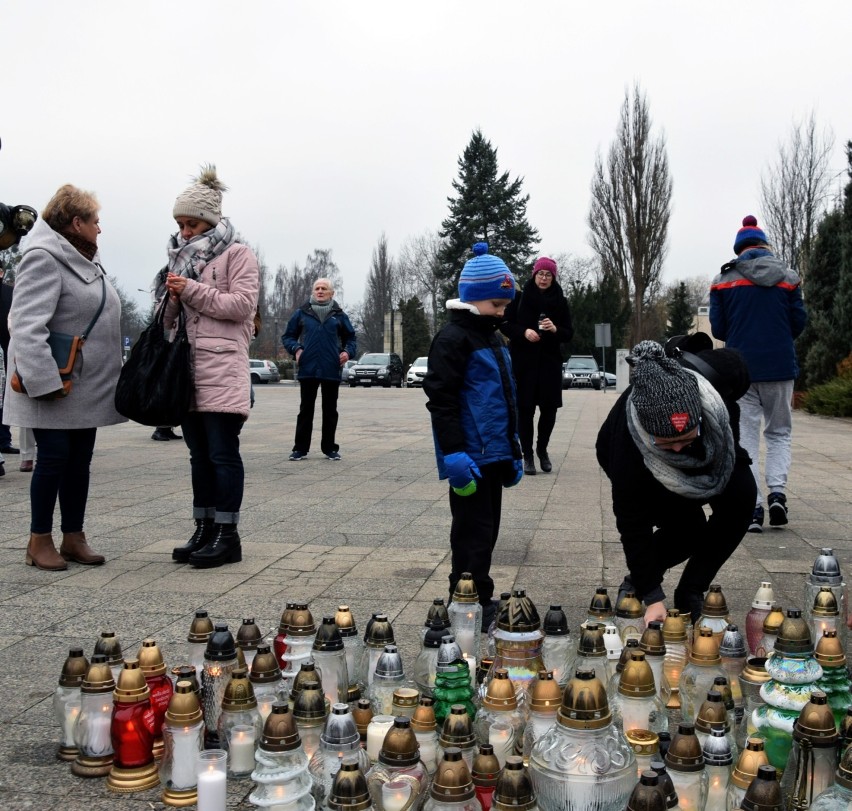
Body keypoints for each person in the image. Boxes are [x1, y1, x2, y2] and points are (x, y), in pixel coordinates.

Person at [3, 184, 125, 569]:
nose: (100, 229)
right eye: (95, 221)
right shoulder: (43, 258)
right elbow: (25, 325)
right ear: (76, 222)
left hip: (82, 385)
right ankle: (39, 541)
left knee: (79, 462)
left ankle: (74, 536)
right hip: (53, 384)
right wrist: (44, 383)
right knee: (52, 460)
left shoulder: (86, 258)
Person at [595, 338, 755, 625]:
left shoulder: (715, 397)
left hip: (710, 450)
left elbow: (736, 366)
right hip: (641, 463)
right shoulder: (628, 451)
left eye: (685, 438)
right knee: (687, 530)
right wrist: (653, 595)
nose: (678, 448)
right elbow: (633, 526)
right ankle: (637, 581)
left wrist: (705, 445)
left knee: (742, 497)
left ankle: (691, 588)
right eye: (670, 443)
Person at [423, 242, 524, 631]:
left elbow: (507, 401)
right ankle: (464, 602)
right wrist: (453, 454)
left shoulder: (493, 338)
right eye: (496, 305)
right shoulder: (454, 339)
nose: (502, 313)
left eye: (505, 306)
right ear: (473, 299)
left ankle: (479, 595)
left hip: (494, 455)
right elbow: (442, 401)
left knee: (487, 532)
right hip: (469, 459)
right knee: (470, 535)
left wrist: (513, 452)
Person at [164, 166, 259, 569]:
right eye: (181, 224)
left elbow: (241, 307)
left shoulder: (238, 254)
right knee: (198, 456)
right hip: (187, 373)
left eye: (192, 223)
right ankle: (203, 528)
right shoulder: (178, 258)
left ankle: (228, 534)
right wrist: (170, 298)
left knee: (222, 454)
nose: (185, 232)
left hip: (221, 371)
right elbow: (168, 321)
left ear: (210, 221)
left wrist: (193, 290)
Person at [710, 216, 807, 533]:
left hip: (741, 370)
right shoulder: (788, 277)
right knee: (779, 432)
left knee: (746, 436)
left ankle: (753, 509)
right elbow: (798, 323)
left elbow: (719, 328)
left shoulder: (724, 280)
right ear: (764, 245)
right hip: (779, 367)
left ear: (739, 249)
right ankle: (777, 493)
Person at [500, 256, 574, 475]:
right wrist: (524, 332)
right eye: (540, 274)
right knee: (525, 410)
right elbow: (505, 324)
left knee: (549, 410)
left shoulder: (561, 301)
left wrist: (554, 330)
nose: (543, 278)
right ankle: (528, 455)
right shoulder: (519, 297)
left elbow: (569, 334)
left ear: (553, 277)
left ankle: (542, 450)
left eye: (548, 275)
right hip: (524, 363)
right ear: (534, 275)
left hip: (550, 362)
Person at [282, 278, 356, 461]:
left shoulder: (339, 315)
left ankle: (330, 448)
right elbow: (288, 336)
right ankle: (300, 449)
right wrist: (297, 349)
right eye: (317, 288)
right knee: (305, 409)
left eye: (324, 289)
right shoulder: (301, 313)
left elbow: (352, 339)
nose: (320, 291)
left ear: (332, 293)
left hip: (331, 368)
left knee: (330, 410)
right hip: (308, 368)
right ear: (313, 292)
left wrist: (347, 352)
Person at [0, 265, 18, 457]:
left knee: (3, 398)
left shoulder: (10, 294)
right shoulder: (10, 293)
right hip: (6, 350)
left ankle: (4, 439)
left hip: (5, 352)